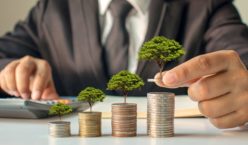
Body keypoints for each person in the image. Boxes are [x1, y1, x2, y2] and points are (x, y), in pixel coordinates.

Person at [0, 0, 248, 128]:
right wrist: (13, 70)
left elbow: (241, 59)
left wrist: (243, 84)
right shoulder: (53, 8)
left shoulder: (207, 5)